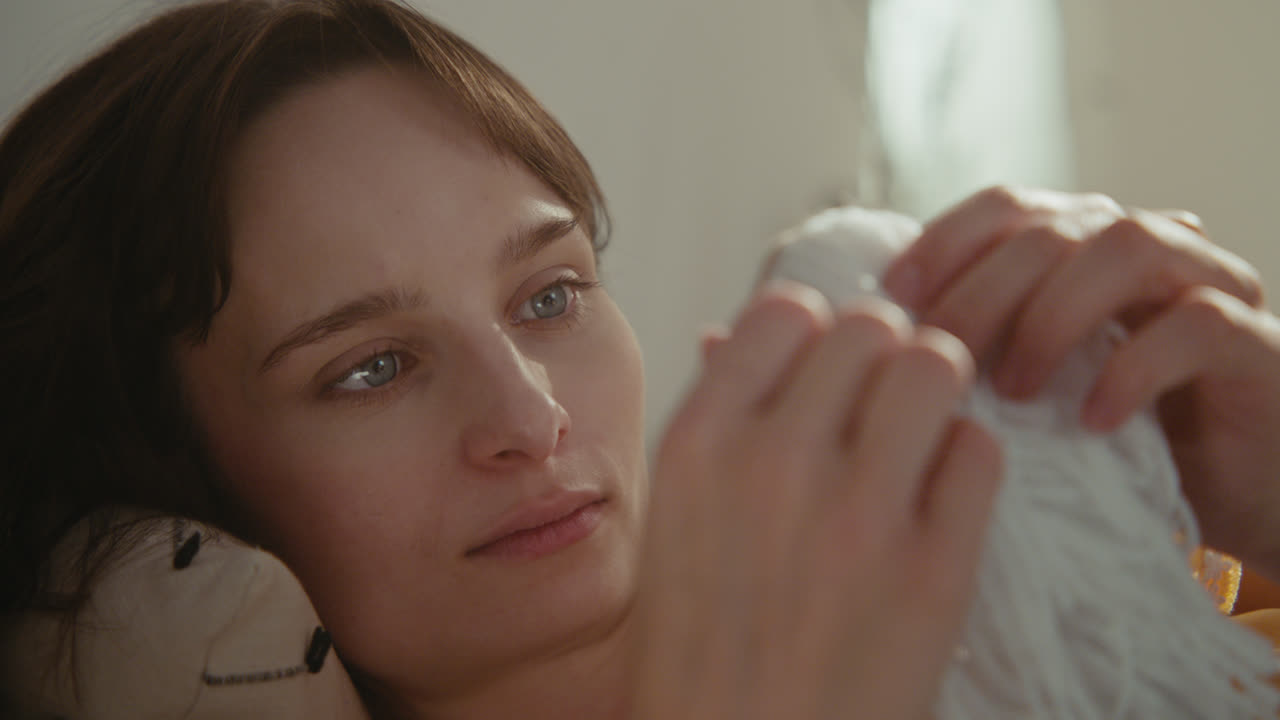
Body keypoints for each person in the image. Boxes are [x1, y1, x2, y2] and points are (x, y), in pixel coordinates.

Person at [2, 0, 1279, 717]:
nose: (529, 414)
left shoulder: (1084, 629)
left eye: (549, 293)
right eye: (368, 369)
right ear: (162, 487)